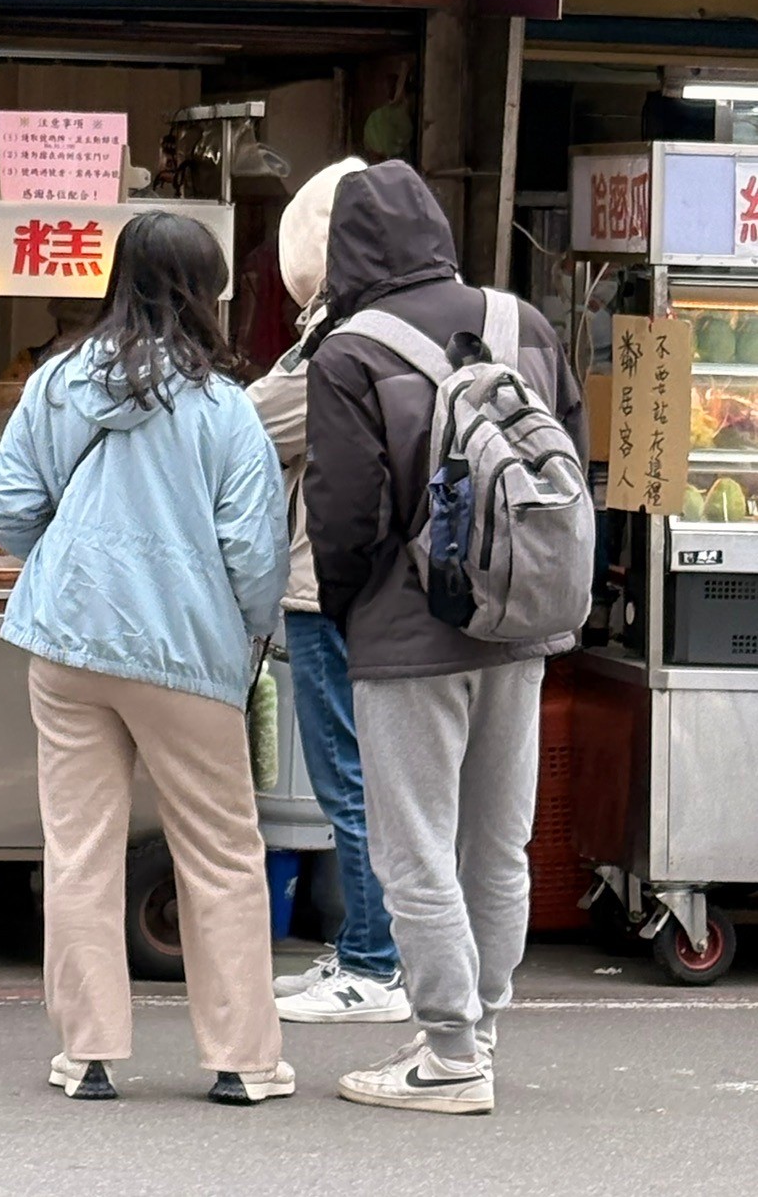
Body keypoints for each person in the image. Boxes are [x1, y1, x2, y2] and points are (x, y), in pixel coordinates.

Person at [0, 211, 292, 1109]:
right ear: (205, 292)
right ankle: (241, 1060)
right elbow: (254, 551)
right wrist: (247, 634)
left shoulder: (55, 384)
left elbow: (7, 511)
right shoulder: (226, 411)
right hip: (189, 654)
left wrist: (76, 562)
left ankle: (87, 1055)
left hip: (67, 643)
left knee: (79, 846)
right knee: (224, 852)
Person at [303, 160, 583, 1116]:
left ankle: (449, 1054)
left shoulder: (350, 352)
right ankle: (483, 1031)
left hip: (405, 633)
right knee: (497, 845)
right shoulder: (525, 325)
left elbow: (344, 515)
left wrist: (346, 609)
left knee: (413, 845)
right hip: (521, 626)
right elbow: (571, 463)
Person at [249, 157, 410, 1026]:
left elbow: (251, 422)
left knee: (350, 778)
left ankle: (374, 962)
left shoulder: (344, 347)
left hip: (328, 586)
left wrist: (308, 334)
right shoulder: (423, 324)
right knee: (379, 779)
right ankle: (364, 950)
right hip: (399, 593)